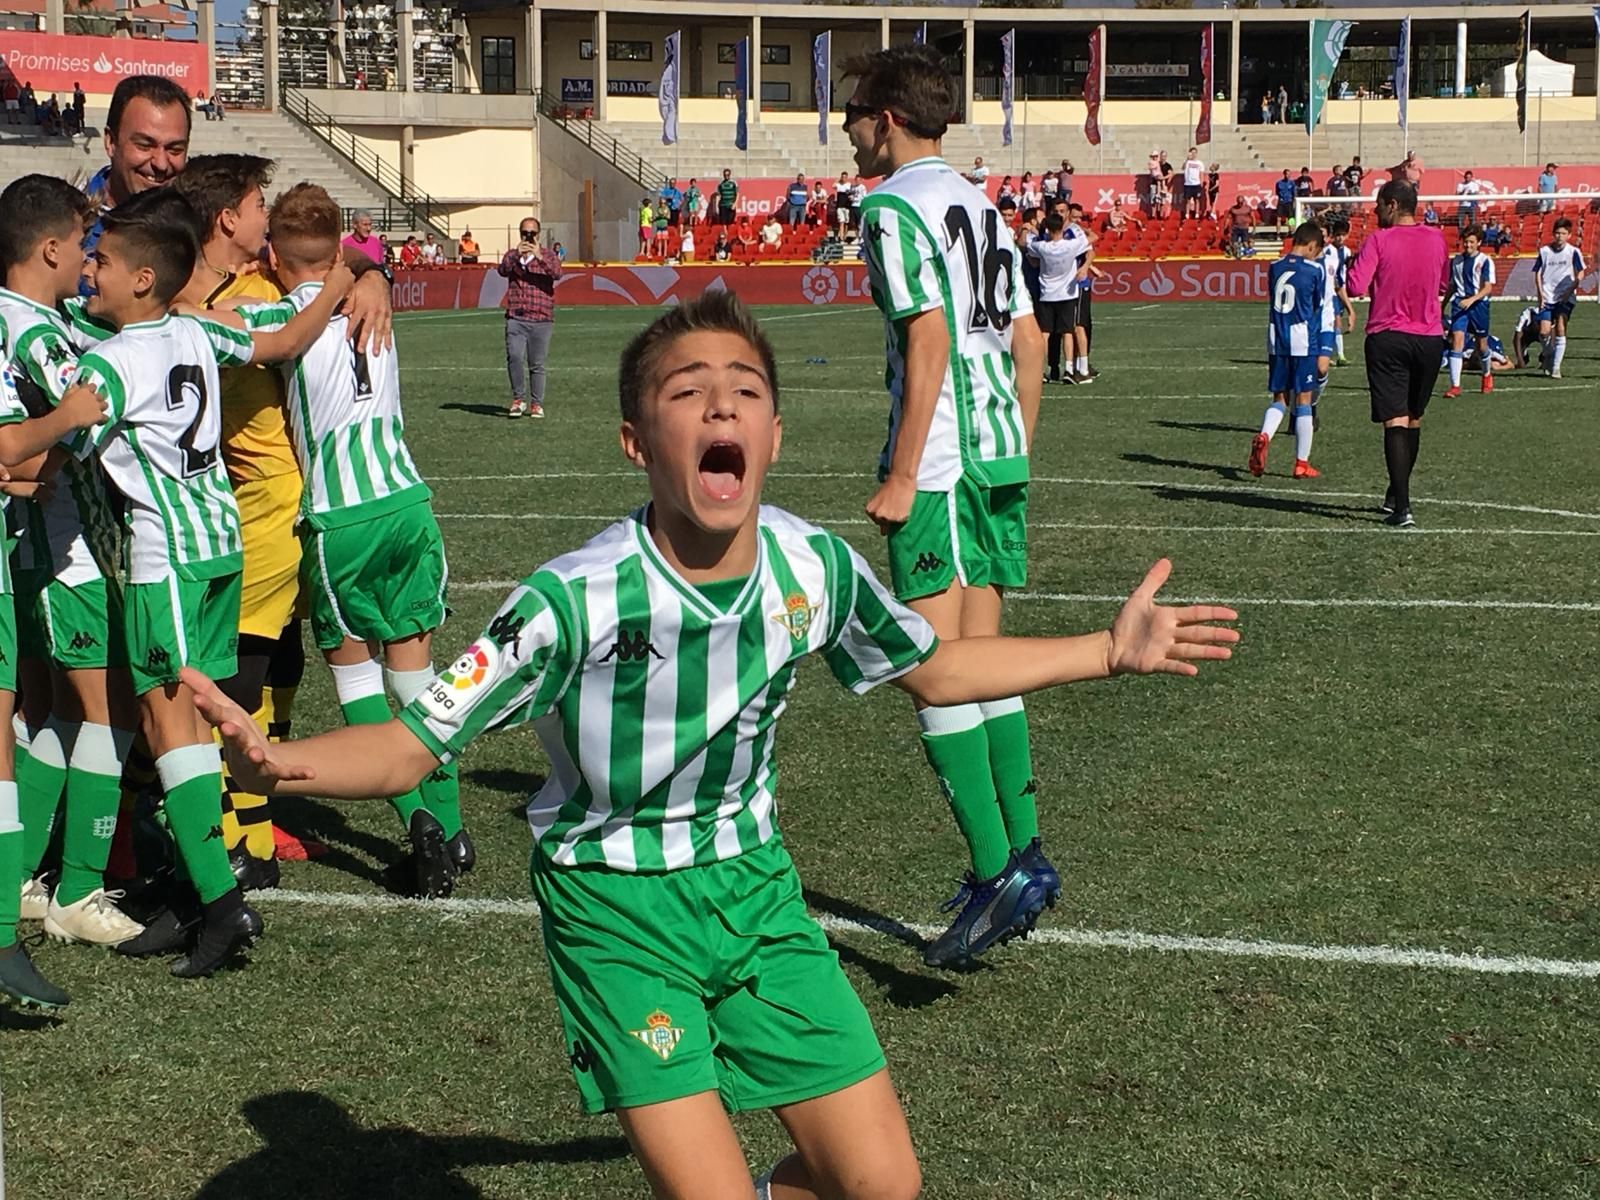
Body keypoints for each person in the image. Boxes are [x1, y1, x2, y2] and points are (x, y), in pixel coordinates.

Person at [181, 290, 1239, 1198]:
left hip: (758, 894)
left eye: (744, 386)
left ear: (775, 433)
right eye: (686, 390)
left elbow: (940, 668)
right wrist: (282, 765)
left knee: (882, 1184)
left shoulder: (812, 564)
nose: (720, 400)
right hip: (615, 910)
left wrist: (1105, 648)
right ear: (640, 444)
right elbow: (414, 747)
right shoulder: (573, 599)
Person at [66, 187, 352, 976]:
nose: (91, 268)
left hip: (164, 558)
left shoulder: (112, 359)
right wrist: (346, 276)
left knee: (171, 730)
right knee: (191, 719)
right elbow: (279, 341)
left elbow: (60, 442)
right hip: (221, 544)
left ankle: (223, 906)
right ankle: (195, 898)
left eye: (104, 260)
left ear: (145, 279)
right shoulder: (198, 331)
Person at [845, 45, 1060, 969]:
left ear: (887, 120)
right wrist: (1015, 440)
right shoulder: (981, 202)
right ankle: (1025, 854)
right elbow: (1032, 340)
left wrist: (901, 474)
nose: (848, 130)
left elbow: (926, 339)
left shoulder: (891, 206)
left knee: (933, 672)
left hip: (937, 464)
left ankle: (993, 871)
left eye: (854, 113)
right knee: (987, 667)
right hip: (994, 454)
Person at [217, 183, 467, 898]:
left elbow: (223, 320)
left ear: (273, 252)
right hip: (408, 503)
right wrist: (367, 270)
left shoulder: (284, 311)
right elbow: (358, 259)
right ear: (339, 247)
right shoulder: (365, 296)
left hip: (340, 519)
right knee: (418, 680)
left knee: (357, 680)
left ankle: (418, 823)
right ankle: (450, 828)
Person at [171, 154, 317, 890]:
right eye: (259, 203)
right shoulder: (194, 299)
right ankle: (243, 835)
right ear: (228, 215)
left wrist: (366, 273)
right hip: (247, 503)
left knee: (277, 655)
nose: (267, 214)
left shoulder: (255, 287)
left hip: (279, 500)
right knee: (237, 667)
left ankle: (258, 820)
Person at [0, 178, 126, 1004]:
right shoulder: (35, 330)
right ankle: (77, 889)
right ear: (51, 248)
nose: (86, 261)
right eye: (82, 245)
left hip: (35, 544)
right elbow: (85, 417)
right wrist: (58, 440)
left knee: (42, 713)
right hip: (66, 551)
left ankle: (23, 890)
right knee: (97, 706)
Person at [1344, 180, 1451, 529]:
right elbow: (1443, 285)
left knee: (1395, 421)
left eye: (1378, 205)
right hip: (1429, 338)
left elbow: (1356, 286)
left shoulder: (1379, 240)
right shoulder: (1436, 238)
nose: (1375, 212)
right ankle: (1396, 493)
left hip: (1389, 336)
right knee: (1414, 418)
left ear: (1392, 205)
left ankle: (1402, 506)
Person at [1249, 222, 1326, 481]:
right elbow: (1317, 305)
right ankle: (1301, 463)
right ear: (1313, 246)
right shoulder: (1315, 269)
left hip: (1276, 339)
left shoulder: (1274, 267)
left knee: (1279, 397)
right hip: (1302, 341)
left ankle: (1265, 435)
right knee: (1303, 401)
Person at [498, 216, 563, 420]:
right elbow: (502, 270)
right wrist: (517, 254)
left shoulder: (548, 255)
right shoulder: (513, 255)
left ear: (539, 234)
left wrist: (539, 257)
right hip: (517, 316)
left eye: (532, 233)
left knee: (537, 363)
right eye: (525, 233)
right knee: (515, 357)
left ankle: (536, 403)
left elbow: (557, 274)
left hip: (541, 317)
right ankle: (518, 399)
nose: (528, 236)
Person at [1444, 225, 1496, 397]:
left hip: (1479, 306)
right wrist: (1442, 305)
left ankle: (1487, 375)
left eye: (1472, 242)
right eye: (1465, 242)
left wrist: (1472, 299)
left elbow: (1488, 288)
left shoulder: (1485, 261)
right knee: (1456, 341)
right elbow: (1452, 285)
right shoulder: (1456, 261)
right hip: (1460, 304)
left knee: (1481, 346)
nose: (1468, 245)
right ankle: (1455, 386)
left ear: (1479, 242)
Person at [1532, 216, 1584, 380]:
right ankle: (1548, 354)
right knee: (1544, 331)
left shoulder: (1574, 252)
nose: (1559, 236)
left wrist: (1572, 288)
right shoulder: (1545, 251)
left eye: (1563, 233)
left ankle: (1555, 368)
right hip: (1547, 295)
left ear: (1569, 235)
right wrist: (1540, 294)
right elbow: (1538, 273)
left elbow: (1580, 272)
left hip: (1565, 296)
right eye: (1557, 233)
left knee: (1561, 327)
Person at [1324, 218, 1354, 365]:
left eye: (1343, 235)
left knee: (1336, 323)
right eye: (1337, 235)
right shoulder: (1328, 251)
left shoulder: (1347, 251)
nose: (1340, 238)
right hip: (1330, 291)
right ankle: (1339, 355)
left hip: (1340, 290)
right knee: (1335, 321)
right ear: (1333, 235)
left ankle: (1337, 354)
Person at [1181, 148, 1205, 220]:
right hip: (1188, 184)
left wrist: (1201, 184)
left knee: (1197, 200)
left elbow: (1201, 174)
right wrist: (1187, 159)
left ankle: (1196, 215)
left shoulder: (1200, 163)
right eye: (1192, 153)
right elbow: (1183, 168)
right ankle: (1187, 215)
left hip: (1196, 184)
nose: (1193, 154)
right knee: (1188, 200)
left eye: (1195, 153)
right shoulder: (1187, 162)